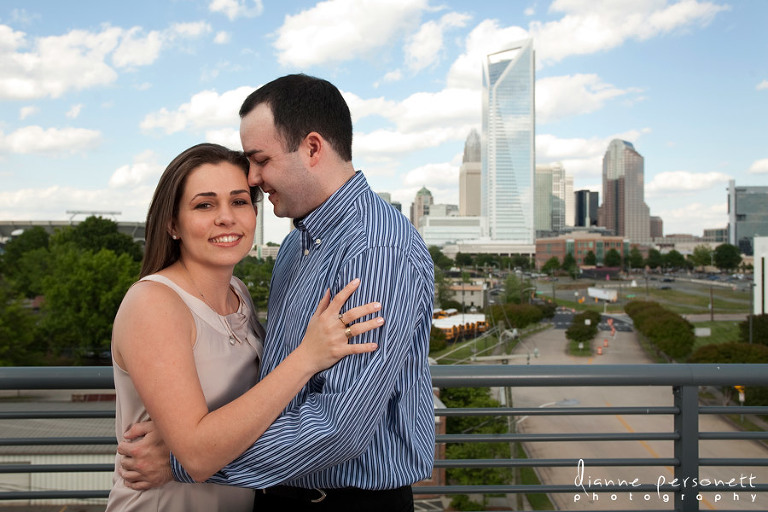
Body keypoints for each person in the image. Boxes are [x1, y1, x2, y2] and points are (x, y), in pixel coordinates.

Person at [119, 74, 436, 512]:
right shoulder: (296, 244)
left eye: (260, 160)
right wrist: (191, 443)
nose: (253, 177)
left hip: (342, 502)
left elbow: (338, 426)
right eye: (205, 204)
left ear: (311, 148)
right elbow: (275, 383)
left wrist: (185, 458)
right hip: (273, 496)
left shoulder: (374, 250)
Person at [107, 142, 382, 512]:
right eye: (204, 205)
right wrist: (307, 358)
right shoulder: (154, 304)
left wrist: (184, 439)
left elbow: (248, 414)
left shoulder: (237, 293)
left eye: (239, 201)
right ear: (172, 224)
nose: (226, 217)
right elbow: (198, 458)